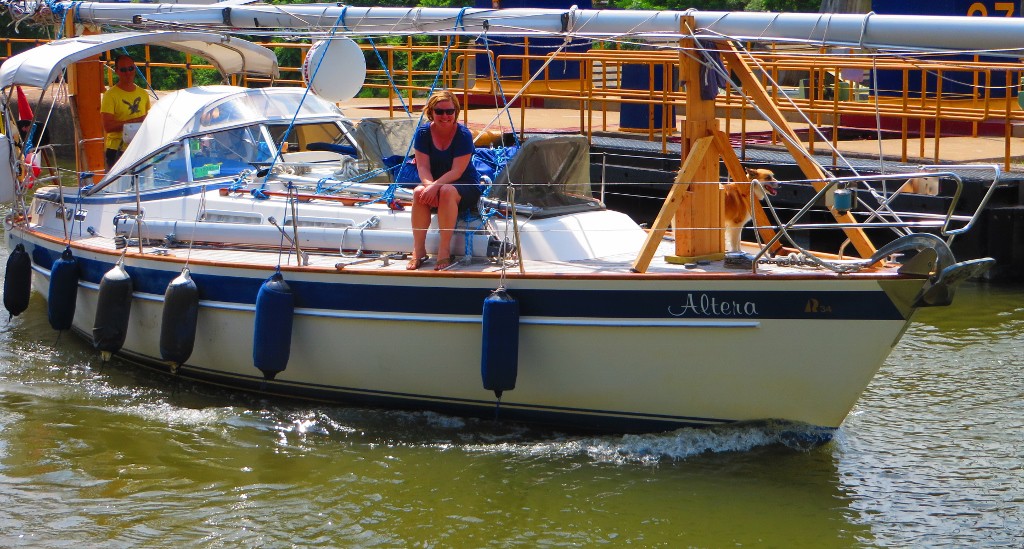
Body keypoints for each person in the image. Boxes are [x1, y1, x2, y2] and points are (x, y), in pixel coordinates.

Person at [406, 90, 481, 271]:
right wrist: (429, 187)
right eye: (439, 112)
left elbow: (457, 171)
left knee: (447, 190)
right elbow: (422, 167)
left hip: (464, 185)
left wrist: (435, 187)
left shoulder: (463, 135)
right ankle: (419, 250)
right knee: (418, 192)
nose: (445, 116)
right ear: (431, 112)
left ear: (456, 112)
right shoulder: (423, 133)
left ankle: (444, 250)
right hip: (435, 183)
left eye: (450, 111)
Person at [101, 54, 150, 170]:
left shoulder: (143, 94)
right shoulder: (110, 95)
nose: (128, 73)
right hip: (117, 150)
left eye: (131, 68)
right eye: (123, 70)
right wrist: (136, 121)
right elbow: (108, 126)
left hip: (139, 148)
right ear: (116, 71)